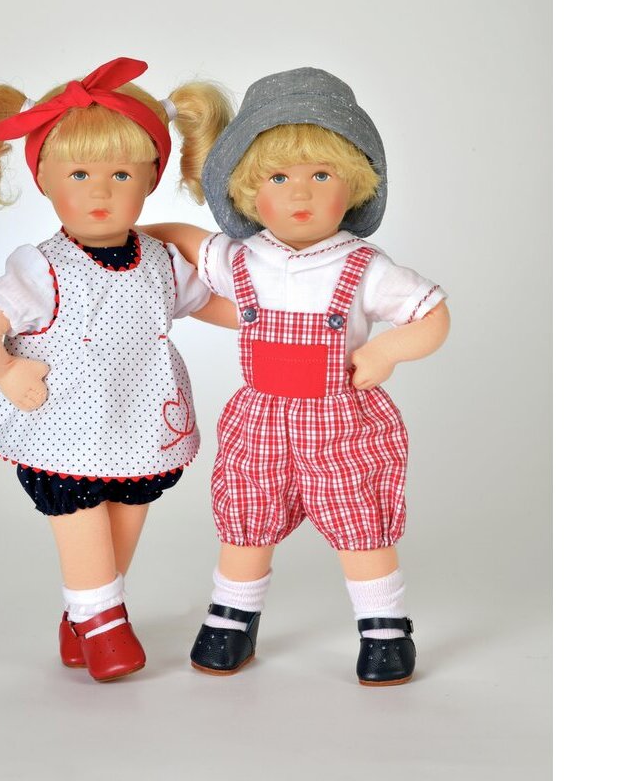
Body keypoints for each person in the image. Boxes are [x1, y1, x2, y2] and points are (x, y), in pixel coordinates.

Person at [145, 66, 450, 685]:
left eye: (321, 176)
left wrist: (387, 351)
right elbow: (188, 243)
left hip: (340, 421)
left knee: (360, 520)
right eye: (278, 178)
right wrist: (129, 238)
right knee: (247, 515)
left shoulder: (365, 266)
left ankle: (384, 630)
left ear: (355, 187)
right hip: (262, 416)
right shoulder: (244, 257)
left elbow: (433, 316)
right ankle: (232, 619)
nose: (299, 195)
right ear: (247, 192)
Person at [0, 56, 234, 682]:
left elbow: (204, 302)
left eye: (121, 174)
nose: (100, 192)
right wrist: (5, 372)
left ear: (151, 179)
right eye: (79, 174)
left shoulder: (159, 258)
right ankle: (104, 625)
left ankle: (83, 615)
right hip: (64, 423)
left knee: (124, 520)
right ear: (45, 181)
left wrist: (264, 320)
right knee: (80, 520)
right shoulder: (41, 266)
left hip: (140, 420)